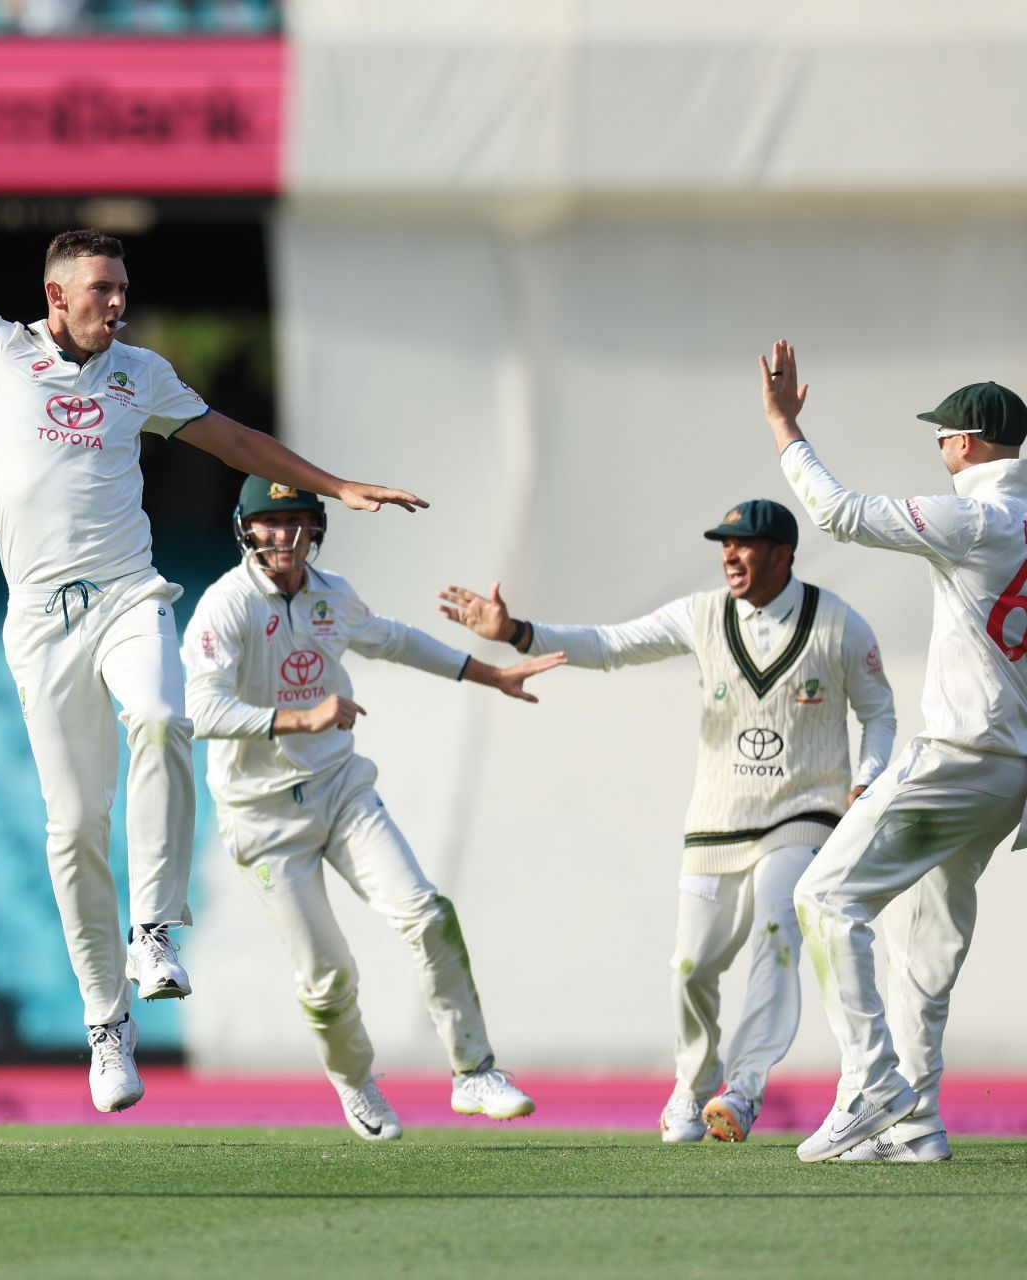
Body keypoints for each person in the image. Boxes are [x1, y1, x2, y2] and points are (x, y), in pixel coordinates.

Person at [0, 55, 426, 1112]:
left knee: (166, 713)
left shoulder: (140, 375)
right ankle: (104, 1024)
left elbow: (232, 438)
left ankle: (158, 929)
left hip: (131, 595)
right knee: (72, 829)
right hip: (39, 623)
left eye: (123, 290)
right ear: (53, 298)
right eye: (100, 292)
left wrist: (335, 481)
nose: (117, 305)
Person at [438, 498, 895, 1145]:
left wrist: (866, 784)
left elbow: (879, 712)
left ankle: (742, 1090)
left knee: (777, 929)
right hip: (717, 819)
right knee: (690, 966)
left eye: (744, 545)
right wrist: (518, 632)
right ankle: (692, 1084)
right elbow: (612, 644)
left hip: (806, 811)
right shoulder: (702, 614)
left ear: (783, 554)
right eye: (724, 545)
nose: (729, 556)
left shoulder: (840, 624)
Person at [185, 477, 554, 1139]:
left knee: (427, 913)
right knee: (327, 977)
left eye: (298, 520)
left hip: (340, 789)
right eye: (271, 522)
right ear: (247, 530)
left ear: (316, 529)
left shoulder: (333, 597)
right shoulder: (226, 606)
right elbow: (200, 709)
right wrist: (301, 717)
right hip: (263, 819)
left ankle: (474, 1072)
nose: (286, 536)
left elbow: (397, 640)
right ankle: (356, 1085)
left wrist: (490, 674)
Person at [761, 343, 1027, 1163]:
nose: (939, 448)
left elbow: (839, 514)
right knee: (925, 945)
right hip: (1010, 777)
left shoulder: (976, 516)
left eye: (944, 436)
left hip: (958, 755)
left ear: (968, 444)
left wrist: (783, 426)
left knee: (824, 900)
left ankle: (873, 1083)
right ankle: (915, 1121)